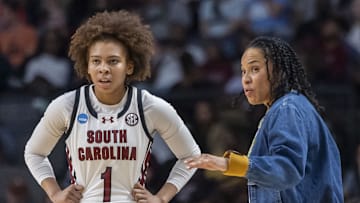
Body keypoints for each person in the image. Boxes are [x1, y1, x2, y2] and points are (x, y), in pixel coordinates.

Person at [24, 10, 201, 203]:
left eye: (113, 61)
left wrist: (161, 198)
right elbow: (34, 153)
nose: (104, 69)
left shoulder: (150, 106)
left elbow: (190, 156)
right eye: (96, 61)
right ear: (87, 67)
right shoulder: (67, 105)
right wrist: (55, 193)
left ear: (130, 66)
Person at [184, 36, 344, 202]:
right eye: (243, 71)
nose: (246, 79)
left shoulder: (287, 108)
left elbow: (287, 169)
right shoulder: (290, 106)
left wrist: (227, 164)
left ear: (279, 71)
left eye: (254, 69)